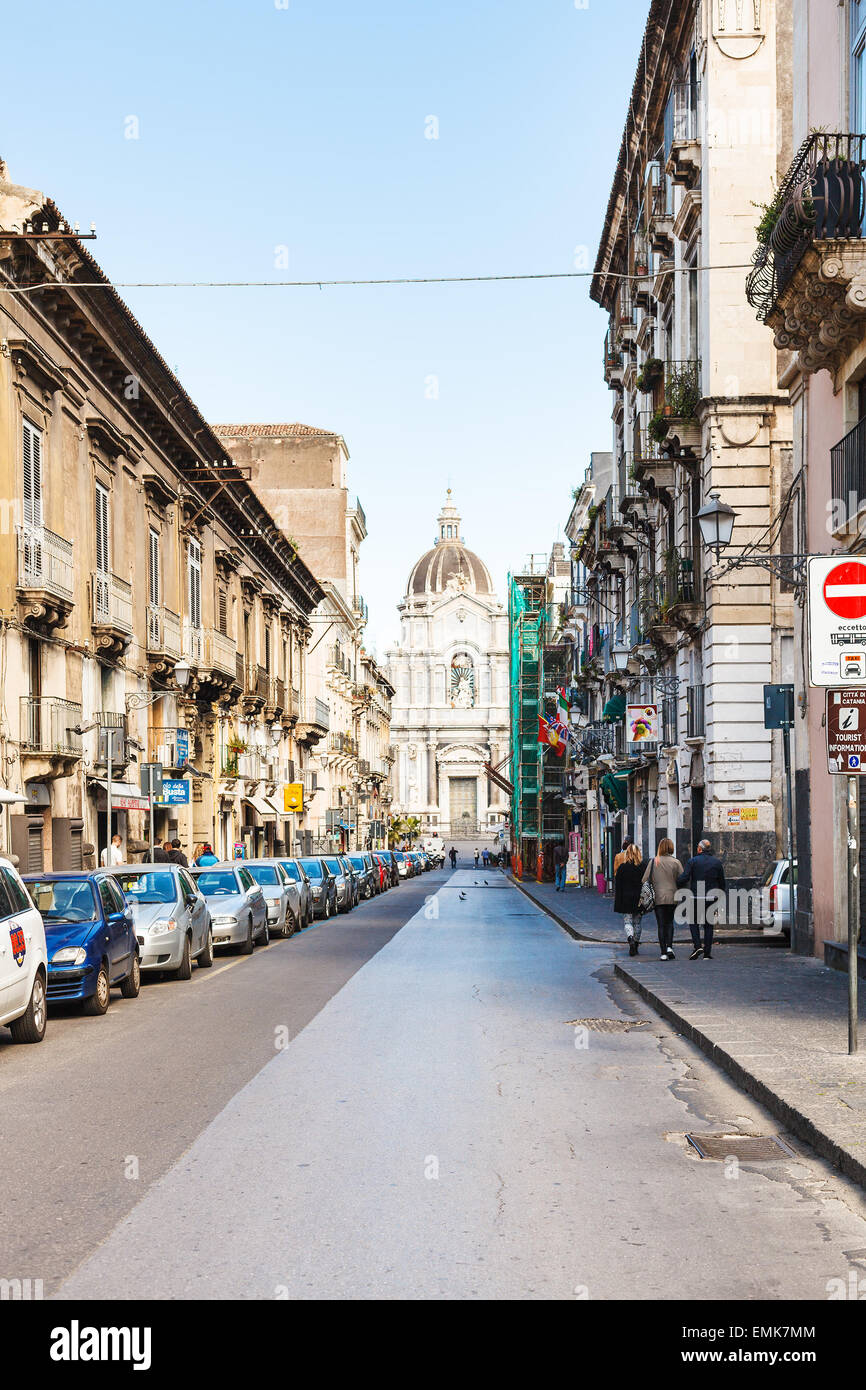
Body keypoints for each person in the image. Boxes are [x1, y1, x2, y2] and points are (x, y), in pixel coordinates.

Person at [677, 838, 726, 960]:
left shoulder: (693, 861)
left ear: (699, 849)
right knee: (708, 925)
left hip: (696, 897)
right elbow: (722, 882)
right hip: (712, 896)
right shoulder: (717, 863)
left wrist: (676, 882)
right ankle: (707, 953)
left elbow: (685, 877)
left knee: (693, 922)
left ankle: (698, 945)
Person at [642, 837, 683, 961]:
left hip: (658, 897)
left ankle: (663, 952)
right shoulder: (676, 862)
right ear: (671, 847)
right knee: (670, 922)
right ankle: (670, 947)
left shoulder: (654, 861)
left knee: (661, 924)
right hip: (672, 896)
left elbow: (644, 879)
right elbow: (682, 878)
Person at [614, 842, 647, 954]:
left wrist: (618, 901)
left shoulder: (622, 867)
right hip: (639, 899)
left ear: (627, 854)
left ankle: (630, 938)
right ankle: (636, 944)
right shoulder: (643, 867)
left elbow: (618, 885)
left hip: (626, 898)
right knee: (637, 923)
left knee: (628, 922)